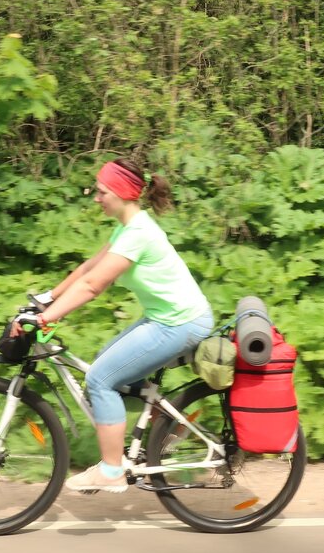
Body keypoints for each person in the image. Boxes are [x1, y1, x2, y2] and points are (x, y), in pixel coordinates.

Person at [28, 158, 214, 492]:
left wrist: (45, 318)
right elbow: (88, 269)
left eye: (102, 192)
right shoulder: (127, 228)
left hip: (180, 323)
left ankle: (112, 471)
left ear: (122, 193)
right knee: (106, 363)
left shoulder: (138, 234)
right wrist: (47, 298)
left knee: (101, 379)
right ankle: (169, 426)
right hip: (169, 317)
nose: (96, 198)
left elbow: (93, 286)